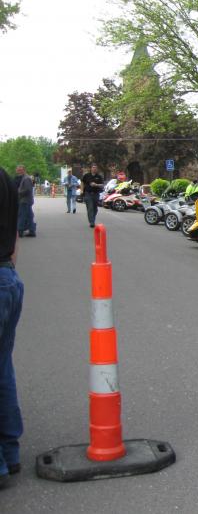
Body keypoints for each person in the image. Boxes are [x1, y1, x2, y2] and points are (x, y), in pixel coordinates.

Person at [0, 167, 24, 488]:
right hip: (7, 275)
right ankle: (9, 450)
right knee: (3, 367)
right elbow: (16, 231)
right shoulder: (6, 178)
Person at [15, 166, 36, 238]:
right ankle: (32, 231)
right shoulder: (26, 178)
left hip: (24, 200)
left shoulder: (26, 178)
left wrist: (18, 192)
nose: (18, 172)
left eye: (19, 170)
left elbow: (27, 190)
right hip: (27, 200)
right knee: (29, 216)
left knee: (22, 216)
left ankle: (20, 231)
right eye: (17, 170)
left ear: (24, 170)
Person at [81, 164, 105, 228]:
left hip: (96, 194)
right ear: (91, 168)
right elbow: (82, 182)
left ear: (97, 169)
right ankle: (92, 222)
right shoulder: (87, 175)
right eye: (93, 167)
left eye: (95, 168)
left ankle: (92, 219)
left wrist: (96, 185)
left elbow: (102, 185)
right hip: (88, 194)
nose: (94, 169)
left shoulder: (99, 176)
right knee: (90, 208)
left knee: (95, 209)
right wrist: (81, 190)